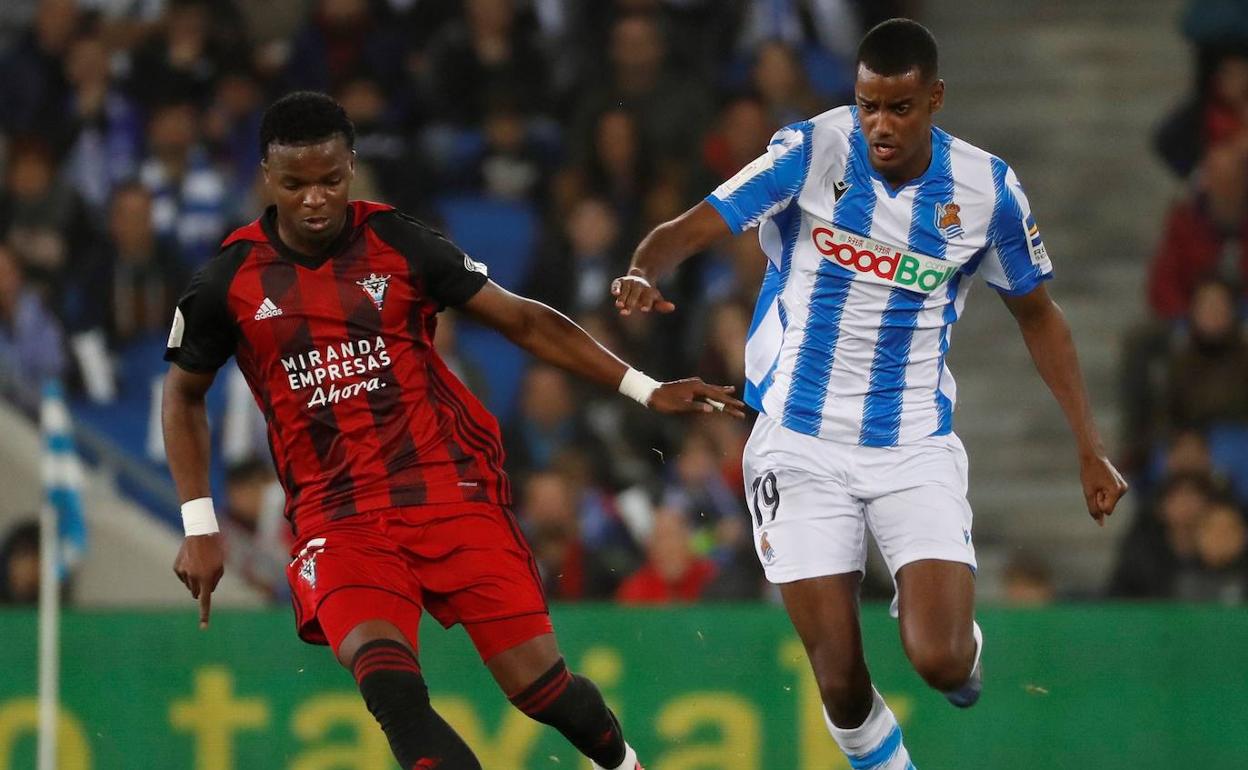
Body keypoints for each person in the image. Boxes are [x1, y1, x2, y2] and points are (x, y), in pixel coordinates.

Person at [162, 91, 744, 770]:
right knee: (394, 695)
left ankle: (621, 763)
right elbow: (183, 397)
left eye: (328, 180)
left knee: (543, 691)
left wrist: (644, 387)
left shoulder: (399, 242)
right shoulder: (226, 282)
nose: (314, 200)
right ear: (268, 177)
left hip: (447, 490)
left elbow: (523, 320)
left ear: (351, 166)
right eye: (295, 184)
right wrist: (200, 523)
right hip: (339, 518)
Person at [611, 19, 1128, 770]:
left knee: (942, 663)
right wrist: (642, 268)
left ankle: (961, 646)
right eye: (868, 107)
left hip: (911, 444)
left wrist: (1089, 445)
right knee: (841, 681)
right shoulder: (811, 152)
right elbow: (694, 224)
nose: (881, 125)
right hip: (796, 443)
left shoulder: (986, 193)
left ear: (935, 100)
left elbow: (1039, 316)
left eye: (900, 108)